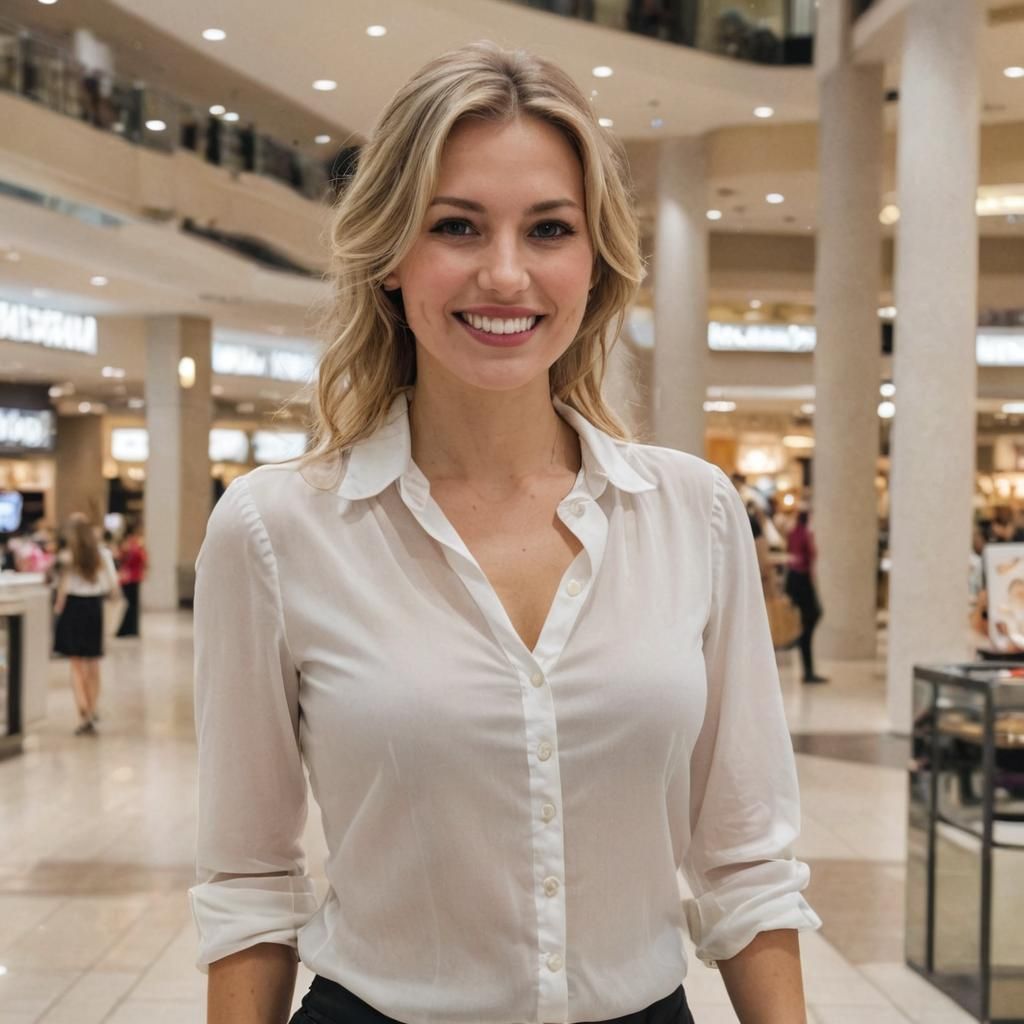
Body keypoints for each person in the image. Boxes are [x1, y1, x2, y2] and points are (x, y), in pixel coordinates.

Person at [190, 41, 821, 1024]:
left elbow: (744, 856)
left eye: (548, 229)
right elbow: (249, 880)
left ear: (593, 259)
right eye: (456, 225)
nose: (504, 273)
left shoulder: (691, 514)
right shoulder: (276, 530)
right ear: (393, 256)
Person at [53, 513, 121, 735]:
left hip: (73, 607)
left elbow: (62, 588)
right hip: (94, 608)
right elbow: (113, 587)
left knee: (76, 663)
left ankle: (82, 710)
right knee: (93, 662)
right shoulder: (102, 555)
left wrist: (58, 607)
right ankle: (91, 708)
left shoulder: (67, 556)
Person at [784, 509, 828, 684]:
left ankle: (802, 645)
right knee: (811, 618)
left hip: (795, 580)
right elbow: (812, 555)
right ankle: (801, 644)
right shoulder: (804, 534)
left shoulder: (794, 532)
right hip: (802, 580)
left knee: (809, 619)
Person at [115, 523, 147, 637]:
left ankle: (132, 629)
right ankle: (127, 629)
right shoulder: (133, 546)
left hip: (134, 577)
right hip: (129, 578)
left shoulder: (136, 546)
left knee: (133, 605)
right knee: (131, 605)